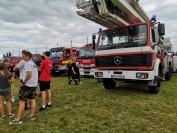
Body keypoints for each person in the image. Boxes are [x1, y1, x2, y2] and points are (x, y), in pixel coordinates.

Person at [9, 51, 38, 125]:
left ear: (28, 56)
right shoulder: (33, 63)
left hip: (27, 85)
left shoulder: (28, 63)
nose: (22, 57)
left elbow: (29, 74)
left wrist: (23, 82)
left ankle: (19, 119)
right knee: (33, 99)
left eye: (23, 56)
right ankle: (31, 116)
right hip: (33, 85)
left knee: (22, 102)